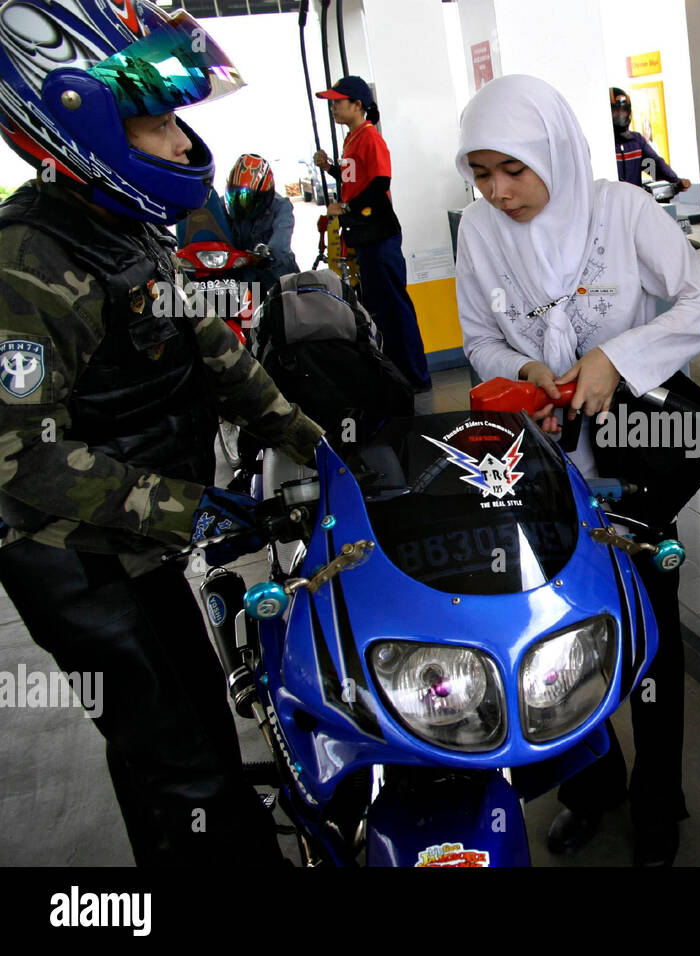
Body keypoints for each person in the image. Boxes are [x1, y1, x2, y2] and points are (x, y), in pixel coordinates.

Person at [0, 0, 323, 866]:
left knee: (182, 744)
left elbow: (211, 347)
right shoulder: (26, 264)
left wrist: (314, 442)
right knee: (187, 771)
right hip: (76, 563)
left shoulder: (128, 225)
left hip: (134, 544)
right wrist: (191, 510)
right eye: (155, 128)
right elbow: (15, 453)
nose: (184, 144)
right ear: (77, 132)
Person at [454, 75, 700, 866]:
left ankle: (657, 800)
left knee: (648, 635)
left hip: (636, 461)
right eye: (481, 173)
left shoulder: (623, 211)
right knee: (556, 635)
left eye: (513, 169)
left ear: (552, 152)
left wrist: (616, 355)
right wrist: (528, 372)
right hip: (541, 465)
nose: (499, 192)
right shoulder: (479, 231)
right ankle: (593, 782)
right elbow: (479, 340)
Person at [313, 76, 432, 392]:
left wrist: (347, 210)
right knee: (379, 309)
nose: (334, 107)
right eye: (332, 102)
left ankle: (416, 378)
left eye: (339, 102)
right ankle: (396, 376)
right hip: (365, 236)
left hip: (380, 234)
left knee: (394, 308)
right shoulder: (352, 139)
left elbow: (379, 185)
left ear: (357, 105)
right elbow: (355, 179)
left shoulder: (370, 138)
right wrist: (330, 168)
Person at [226, 152, 300, 283]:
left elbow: (280, 244)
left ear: (265, 196)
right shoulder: (225, 205)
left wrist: (267, 252)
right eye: (236, 196)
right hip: (245, 274)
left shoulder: (281, 206)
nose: (242, 204)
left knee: (290, 300)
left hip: (277, 273)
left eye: (248, 198)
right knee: (238, 299)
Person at [610, 87, 690, 193]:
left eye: (623, 111)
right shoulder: (604, 145)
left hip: (636, 201)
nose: (620, 115)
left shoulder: (636, 142)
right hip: (613, 203)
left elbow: (654, 164)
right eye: (616, 111)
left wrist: (675, 181)